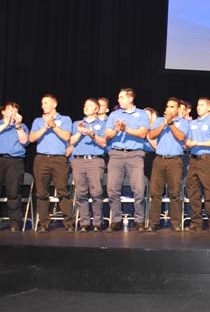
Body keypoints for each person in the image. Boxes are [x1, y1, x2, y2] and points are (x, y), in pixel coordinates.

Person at [104, 88, 149, 231]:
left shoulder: (141, 114)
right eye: (118, 97)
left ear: (130, 99)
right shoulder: (114, 115)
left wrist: (126, 129)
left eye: (122, 97)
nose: (119, 100)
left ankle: (139, 220)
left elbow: (142, 133)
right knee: (112, 189)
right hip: (116, 154)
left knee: (139, 189)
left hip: (135, 155)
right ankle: (116, 219)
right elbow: (107, 134)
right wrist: (117, 129)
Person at [0, 102, 29, 232]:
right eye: (10, 109)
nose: (13, 112)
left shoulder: (22, 126)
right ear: (3, 112)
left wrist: (17, 126)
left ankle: (15, 224)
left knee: (14, 192)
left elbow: (24, 141)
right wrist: (5, 124)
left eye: (15, 110)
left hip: (14, 161)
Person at [29, 94, 73, 231]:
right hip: (42, 159)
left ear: (54, 104)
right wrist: (45, 127)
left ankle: (69, 223)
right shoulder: (37, 121)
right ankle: (43, 223)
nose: (43, 106)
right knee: (42, 192)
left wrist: (53, 125)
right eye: (42, 103)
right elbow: (31, 138)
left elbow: (67, 136)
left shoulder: (65, 119)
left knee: (62, 191)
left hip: (59, 159)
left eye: (46, 103)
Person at [146, 98, 186, 232]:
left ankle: (175, 223)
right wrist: (164, 124)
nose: (169, 109)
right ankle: (153, 222)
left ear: (178, 109)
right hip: (159, 159)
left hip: (175, 160)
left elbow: (181, 137)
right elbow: (151, 135)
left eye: (172, 107)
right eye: (168, 106)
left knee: (175, 192)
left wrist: (171, 124)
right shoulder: (158, 121)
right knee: (155, 192)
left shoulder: (183, 122)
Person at [69, 98, 107, 231]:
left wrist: (92, 135)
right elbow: (71, 141)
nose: (86, 108)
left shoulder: (103, 124)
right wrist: (80, 132)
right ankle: (84, 222)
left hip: (95, 160)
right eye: (85, 105)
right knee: (81, 193)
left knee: (96, 192)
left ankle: (97, 222)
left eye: (90, 106)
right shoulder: (77, 123)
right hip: (78, 160)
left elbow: (103, 143)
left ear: (96, 109)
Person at [184, 98, 210, 231]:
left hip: (207, 160)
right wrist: (188, 143)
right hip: (193, 159)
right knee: (193, 191)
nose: (198, 107)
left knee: (209, 191)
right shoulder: (192, 123)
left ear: (208, 108)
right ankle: (196, 222)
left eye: (201, 105)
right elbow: (187, 139)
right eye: (198, 105)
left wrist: (198, 143)